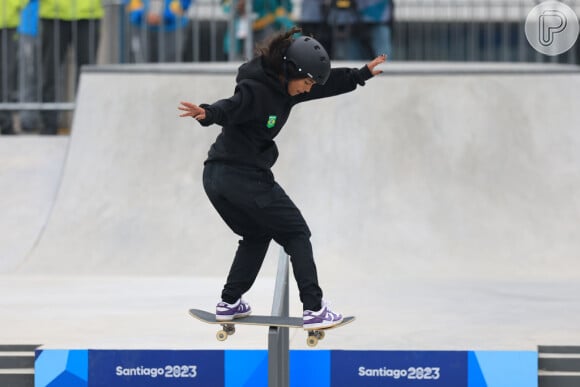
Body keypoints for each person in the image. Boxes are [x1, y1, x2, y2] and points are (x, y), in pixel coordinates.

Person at [178, 27, 385, 328]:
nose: (307, 88)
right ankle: (314, 308)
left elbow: (325, 87)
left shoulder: (286, 89)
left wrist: (360, 74)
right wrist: (209, 114)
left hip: (216, 179)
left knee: (256, 235)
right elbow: (232, 106)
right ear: (289, 71)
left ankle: (229, 302)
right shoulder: (256, 89)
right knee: (296, 233)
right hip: (244, 177)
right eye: (305, 82)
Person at [39, 0, 103, 135]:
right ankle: (49, 125)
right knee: (50, 73)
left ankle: (86, 124)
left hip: (88, 12)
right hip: (53, 12)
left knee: (87, 77)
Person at [124, 0, 192, 63]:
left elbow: (184, 4)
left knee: (169, 65)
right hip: (140, 27)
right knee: (141, 63)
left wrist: (166, 16)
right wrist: (141, 14)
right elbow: (130, 4)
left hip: (173, 29)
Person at [1, 0, 26, 135]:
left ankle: (6, 123)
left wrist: (16, 4)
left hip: (8, 20)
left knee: (7, 76)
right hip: (8, 18)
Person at [18, 0, 42, 134]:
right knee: (29, 73)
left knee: (49, 75)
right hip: (29, 27)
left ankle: (43, 118)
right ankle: (28, 119)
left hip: (51, 24)